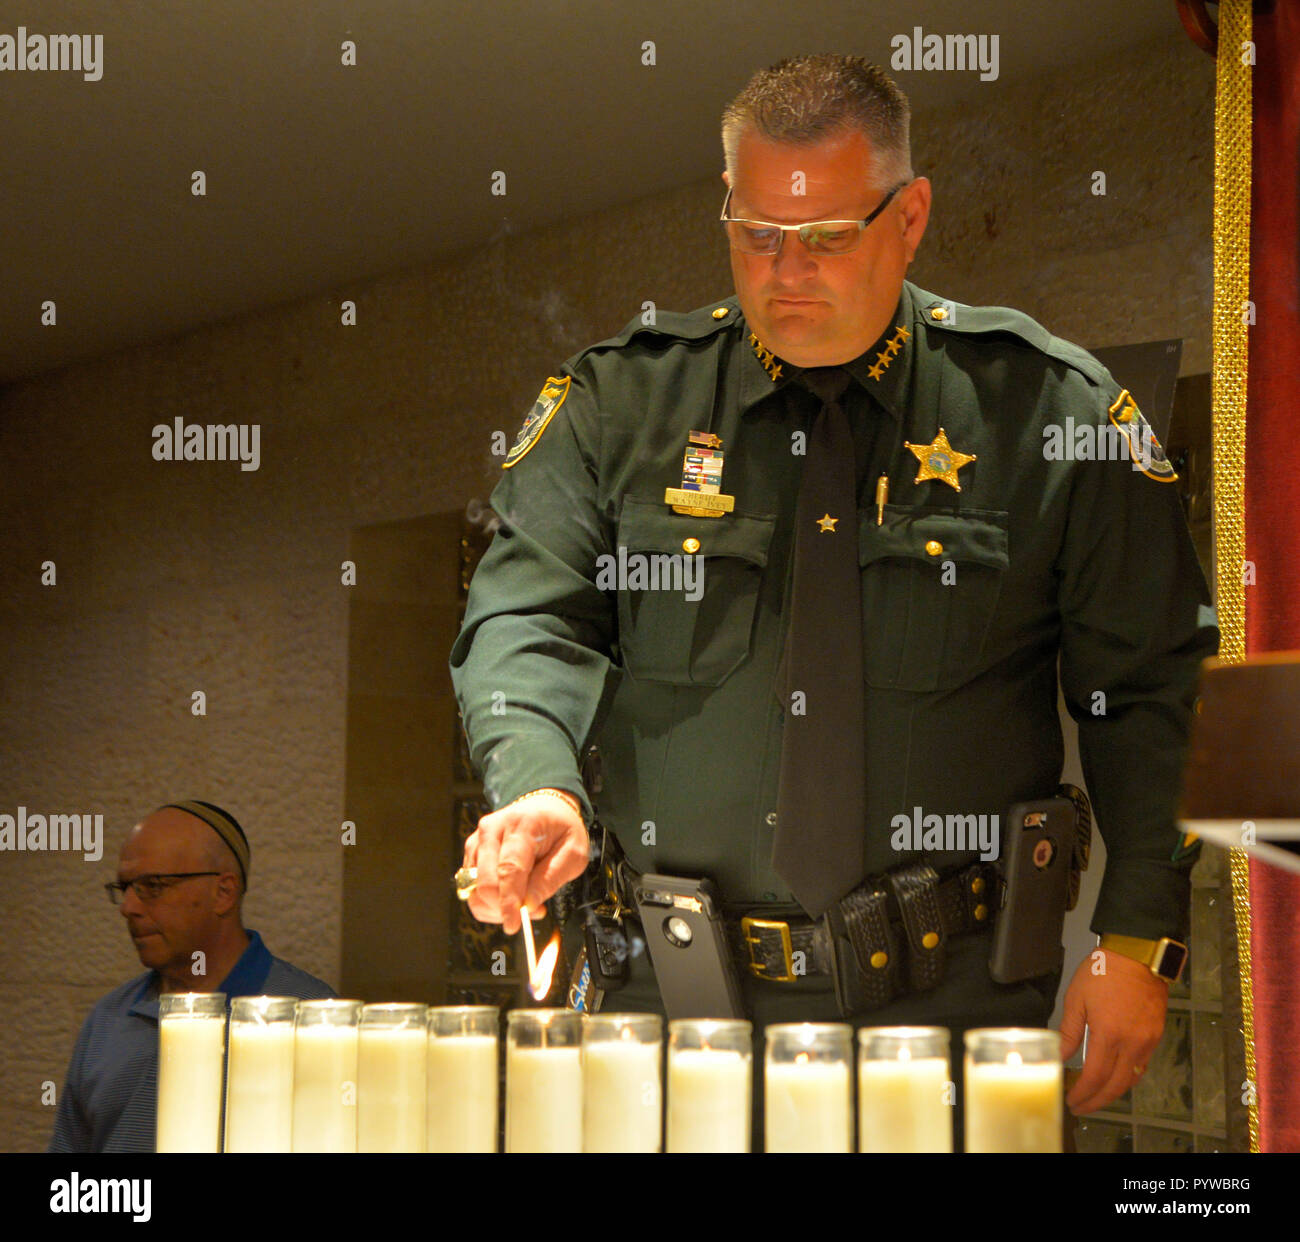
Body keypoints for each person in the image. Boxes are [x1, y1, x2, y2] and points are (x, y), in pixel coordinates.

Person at [449, 55, 1218, 1124]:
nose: (782, 271)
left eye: (824, 238)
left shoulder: (1050, 412)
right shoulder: (621, 404)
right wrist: (536, 781)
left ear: (910, 218)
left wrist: (1138, 939)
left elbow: (1150, 694)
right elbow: (526, 616)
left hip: (947, 1011)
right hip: (664, 1011)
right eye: (754, 232)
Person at [49, 800, 334, 1152]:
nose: (129, 907)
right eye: (125, 889)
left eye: (153, 886)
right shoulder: (108, 1019)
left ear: (223, 892)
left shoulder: (315, 1019)